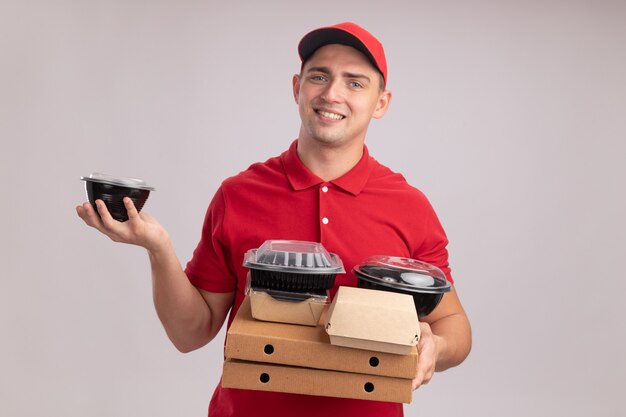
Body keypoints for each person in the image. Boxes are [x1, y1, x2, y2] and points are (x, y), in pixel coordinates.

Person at [76, 22, 472, 417]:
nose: (332, 93)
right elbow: (189, 333)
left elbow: (454, 324)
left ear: (381, 103)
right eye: (320, 76)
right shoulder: (239, 194)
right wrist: (157, 247)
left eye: (355, 83)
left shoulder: (408, 205)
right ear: (297, 87)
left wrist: (436, 346)